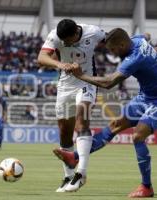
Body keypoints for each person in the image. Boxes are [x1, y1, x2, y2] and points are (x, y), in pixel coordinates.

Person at [53, 28, 157, 198]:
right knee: (115, 125)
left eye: (113, 49)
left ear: (123, 44)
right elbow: (147, 34)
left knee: (138, 136)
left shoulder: (135, 57)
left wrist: (80, 75)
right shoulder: (138, 40)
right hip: (144, 98)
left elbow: (109, 82)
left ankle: (146, 187)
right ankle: (75, 157)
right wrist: (151, 48)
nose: (113, 53)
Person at [37, 19, 106, 192]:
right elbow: (41, 58)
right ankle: (68, 176)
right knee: (64, 132)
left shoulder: (93, 32)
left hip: (86, 81)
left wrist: (139, 45)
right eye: (64, 41)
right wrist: (60, 64)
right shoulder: (55, 36)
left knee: (82, 122)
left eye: (68, 40)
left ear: (76, 32)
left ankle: (81, 173)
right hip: (65, 85)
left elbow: (113, 39)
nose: (66, 44)